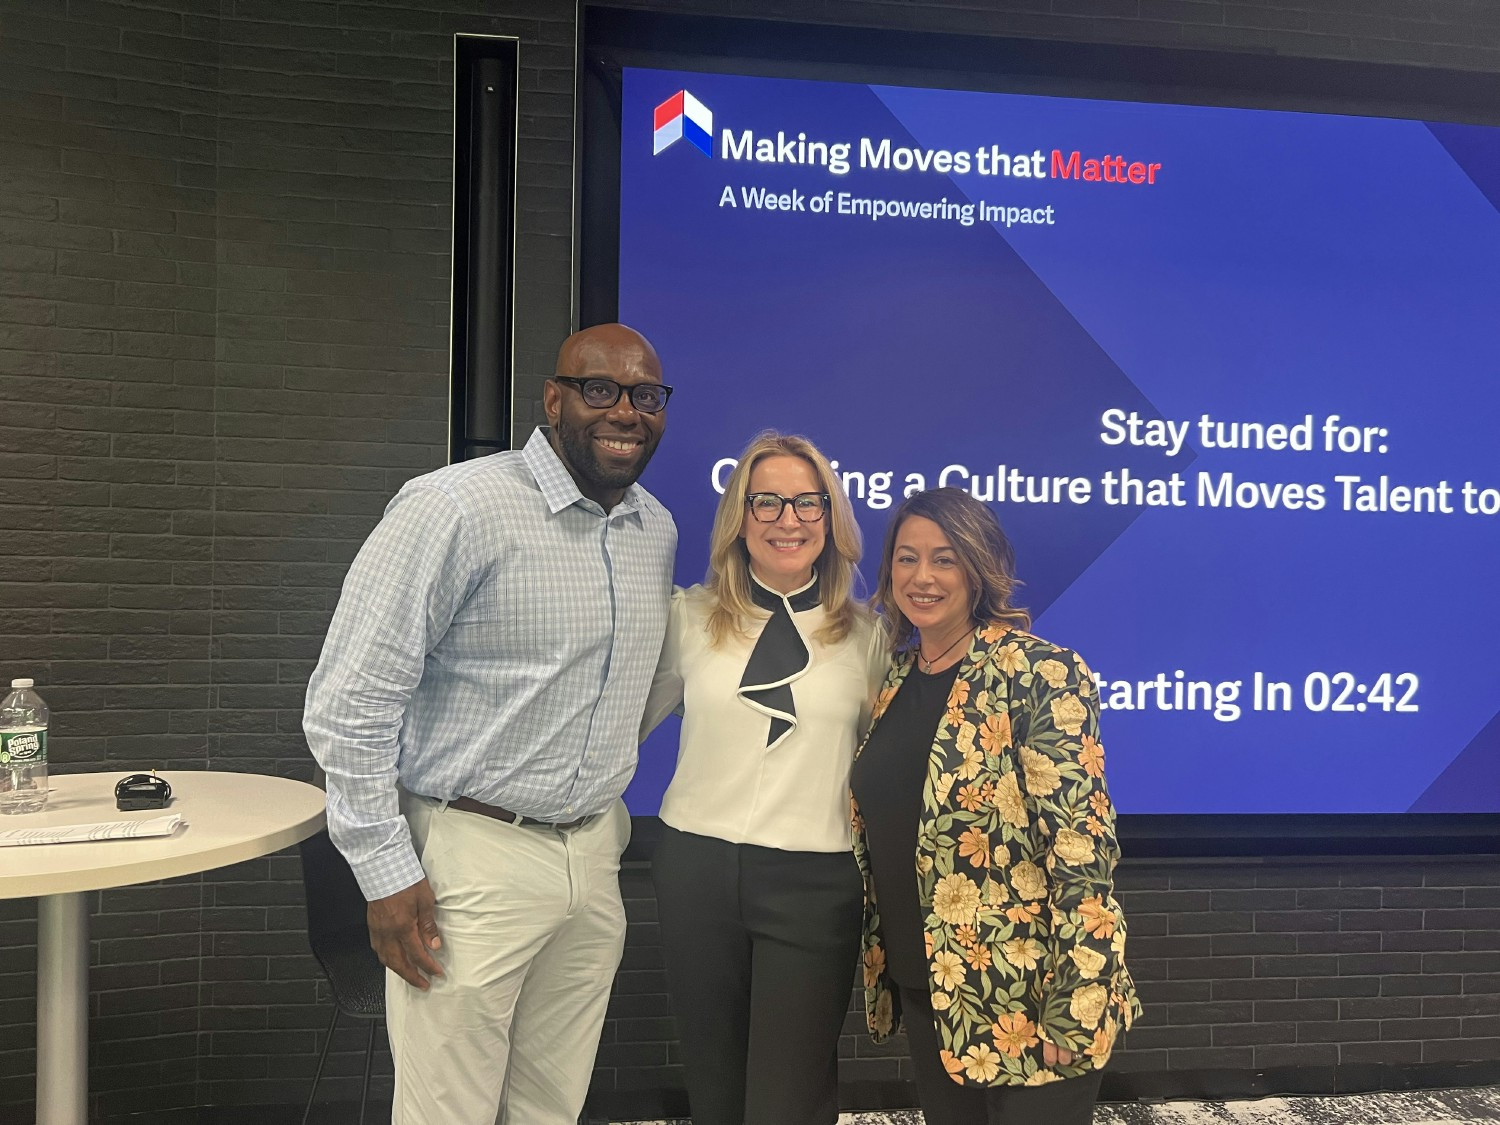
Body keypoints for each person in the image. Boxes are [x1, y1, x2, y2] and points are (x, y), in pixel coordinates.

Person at [303, 323, 677, 1125]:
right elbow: (349, 703)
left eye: (645, 395)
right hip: (470, 862)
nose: (625, 411)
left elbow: (631, 692)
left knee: (550, 1105)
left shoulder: (657, 530)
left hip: (592, 859)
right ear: (553, 399)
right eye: (600, 389)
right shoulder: (454, 506)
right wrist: (386, 872)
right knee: (449, 1112)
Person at [850, 487, 1141, 1125]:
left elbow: (1080, 850)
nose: (921, 577)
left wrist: (1078, 1002)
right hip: (931, 986)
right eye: (906, 558)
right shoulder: (893, 682)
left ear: (980, 569)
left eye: (944, 558)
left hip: (1032, 996)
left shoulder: (1039, 673)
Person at [641, 431, 885, 1125]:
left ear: (831, 518)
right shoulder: (687, 618)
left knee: (790, 1099)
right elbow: (615, 728)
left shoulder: (867, 637)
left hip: (816, 881)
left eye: (807, 503)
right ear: (739, 517)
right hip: (696, 868)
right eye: (768, 501)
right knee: (715, 1088)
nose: (788, 519)